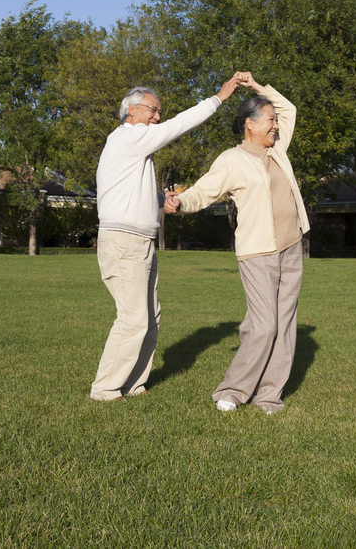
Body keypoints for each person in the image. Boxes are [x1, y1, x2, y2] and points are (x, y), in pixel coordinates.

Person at [91, 75, 244, 402]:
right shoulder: (127, 138)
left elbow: (125, 193)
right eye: (153, 110)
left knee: (149, 316)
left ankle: (133, 383)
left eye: (160, 112)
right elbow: (180, 125)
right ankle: (104, 389)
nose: (158, 117)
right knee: (132, 318)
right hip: (123, 242)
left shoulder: (134, 149)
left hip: (140, 242)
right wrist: (220, 96)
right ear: (131, 110)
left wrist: (161, 199)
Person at [164, 73, 309, 414]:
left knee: (285, 326)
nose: (275, 125)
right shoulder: (231, 159)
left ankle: (269, 395)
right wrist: (181, 202)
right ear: (249, 124)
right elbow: (204, 189)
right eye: (269, 120)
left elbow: (288, 108)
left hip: (291, 246)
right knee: (264, 324)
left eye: (275, 121)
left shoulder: (277, 150)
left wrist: (257, 86)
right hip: (257, 251)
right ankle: (231, 390)